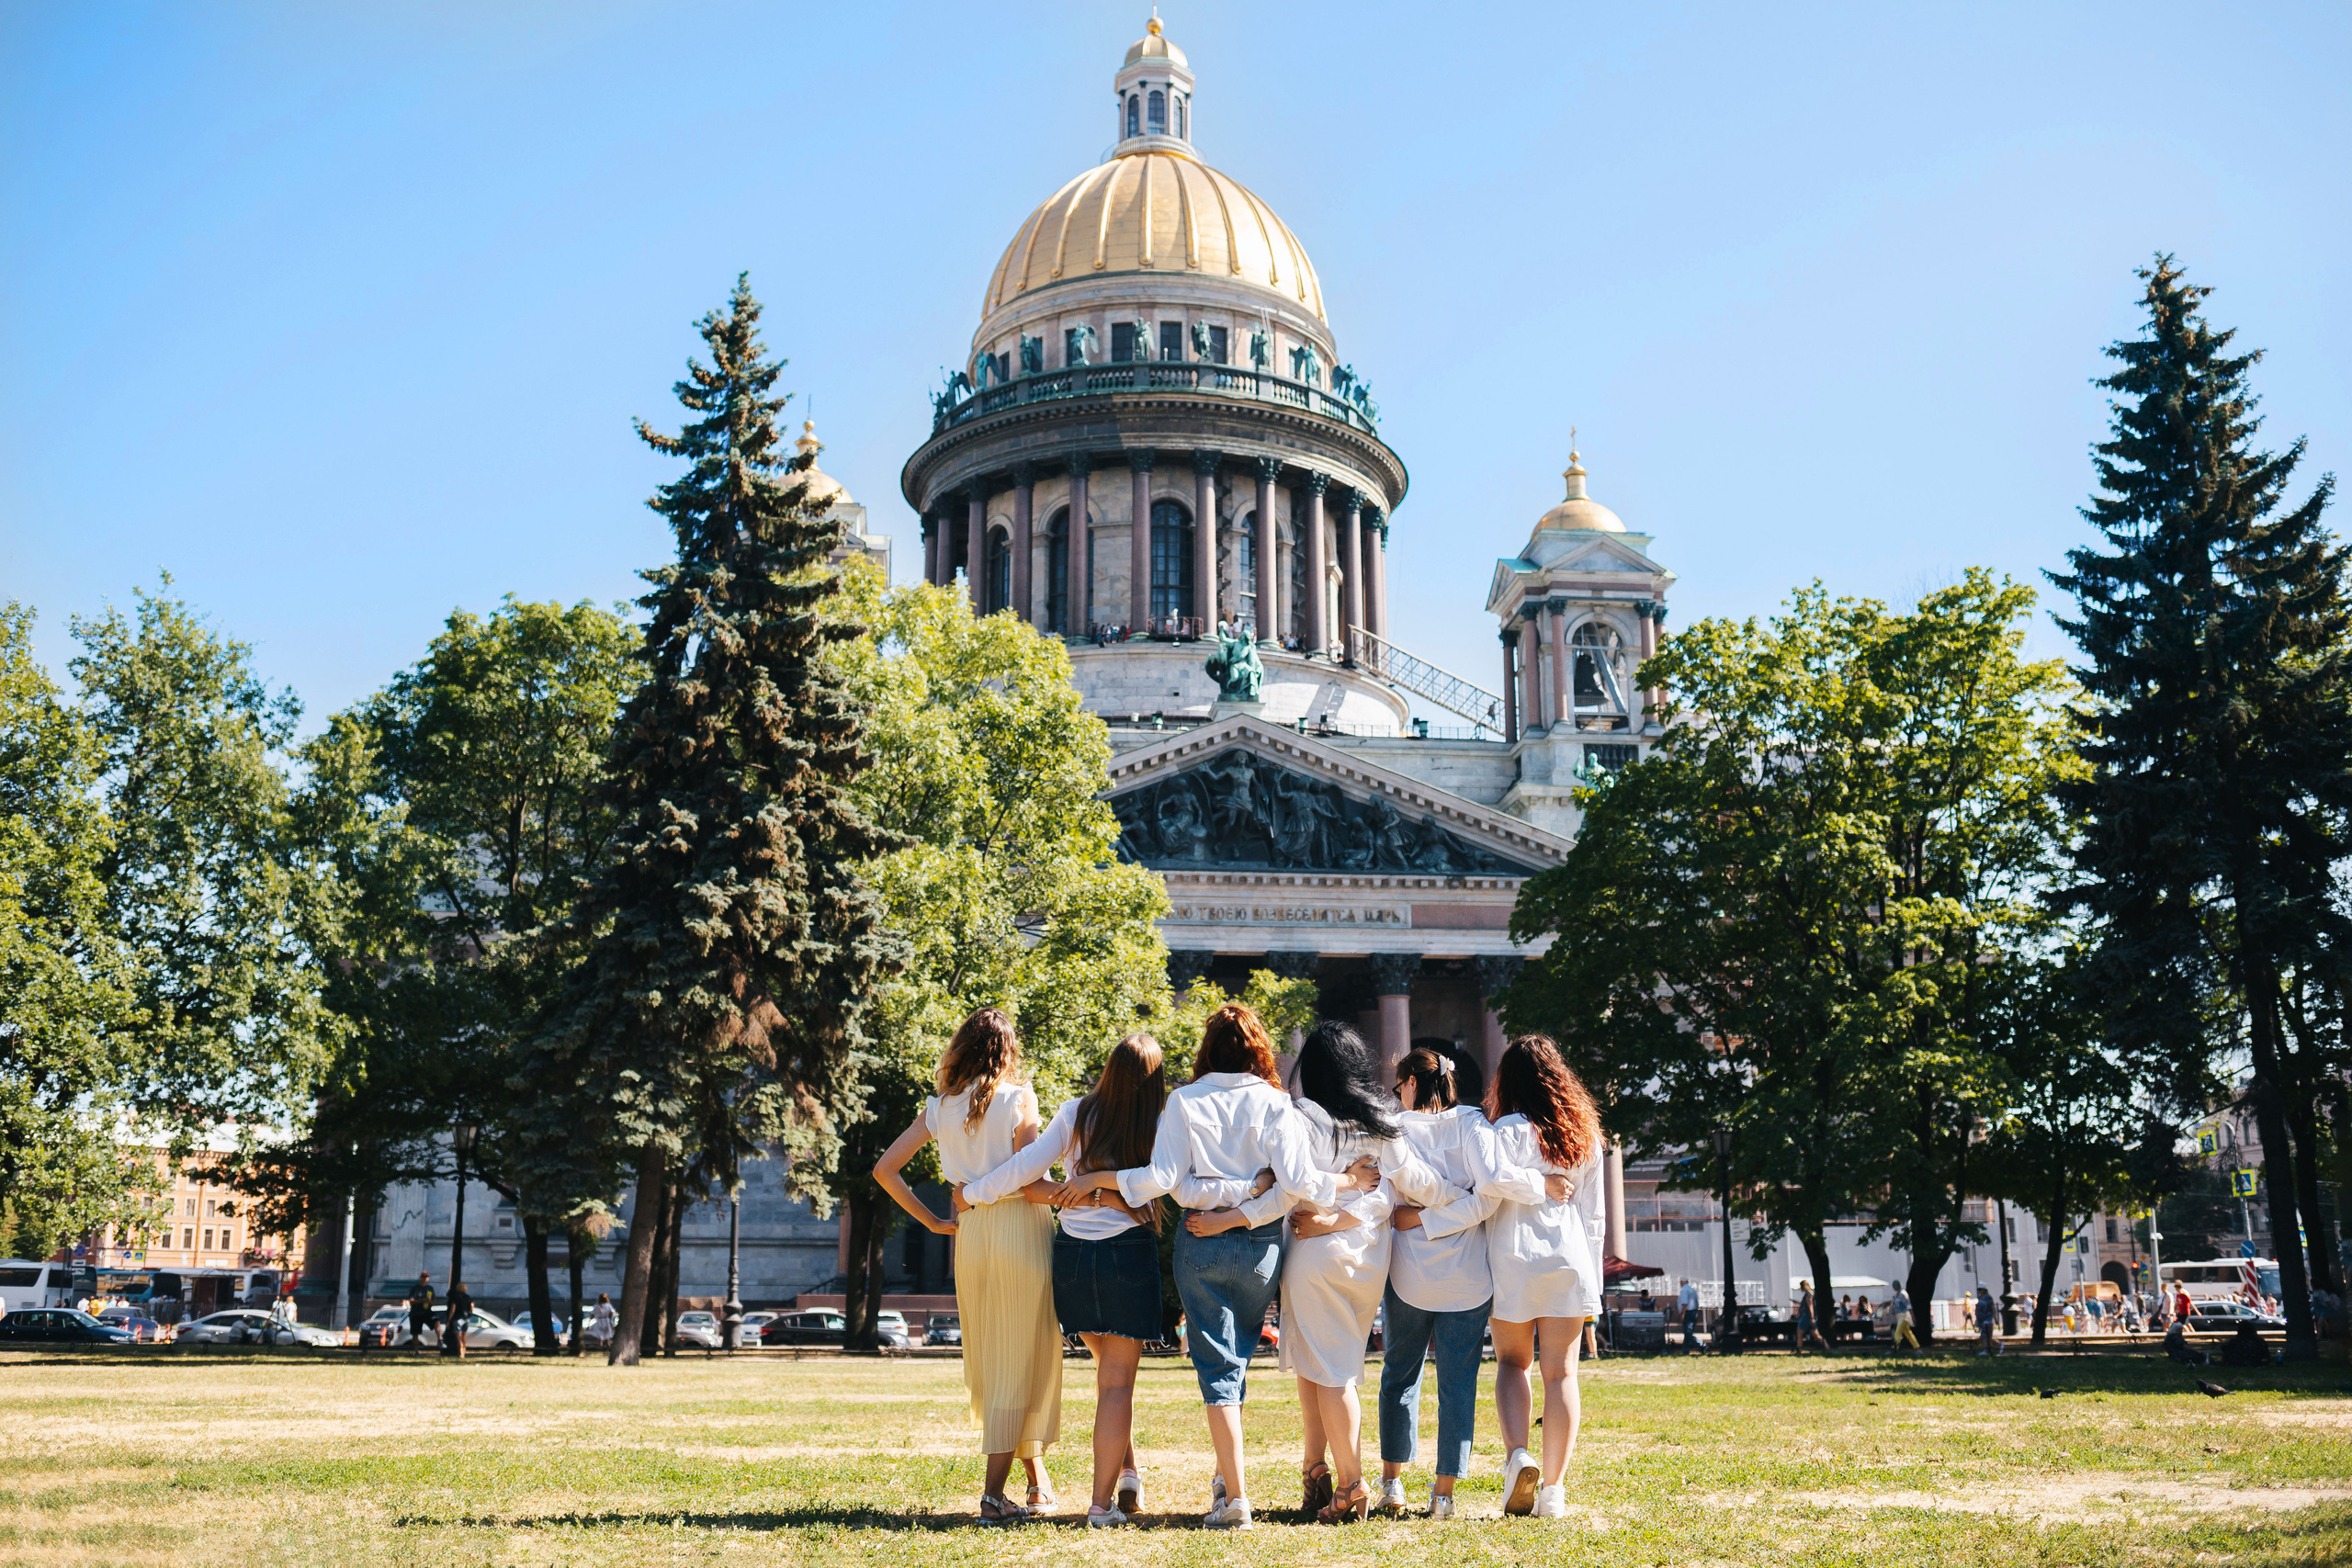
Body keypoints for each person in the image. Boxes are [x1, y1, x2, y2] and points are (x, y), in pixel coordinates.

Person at [1057, 1000, 1378, 1530]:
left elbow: (1165, 1181)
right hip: (1260, 1249)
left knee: (1219, 1373)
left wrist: (1099, 1180)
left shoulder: (1184, 1101)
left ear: (1208, 1049)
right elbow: (1293, 1184)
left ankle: (1235, 1498)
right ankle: (1225, 1484)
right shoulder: (1277, 1102)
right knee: (1236, 1367)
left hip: (1201, 1241)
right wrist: (1264, 1198)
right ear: (1257, 1049)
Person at [1191, 1021, 1400, 1523]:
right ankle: (1315, 1471)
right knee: (1321, 1360)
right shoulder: (1381, 1118)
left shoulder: (1299, 1115)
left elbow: (1287, 1182)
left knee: (1331, 1373)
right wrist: (1349, 1214)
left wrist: (1319, 1215)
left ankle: (1350, 1484)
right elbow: (1391, 1192)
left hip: (1312, 1249)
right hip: (1368, 1253)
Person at [961, 1032, 1168, 1528]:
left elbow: (1025, 1169)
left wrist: (974, 1192)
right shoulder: (1160, 1122)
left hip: (1073, 1260)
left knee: (1107, 1377)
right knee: (1116, 1385)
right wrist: (1111, 1198)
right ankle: (1100, 1507)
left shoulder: (1077, 1112)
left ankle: (1130, 1474)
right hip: (1126, 1257)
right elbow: (1164, 1188)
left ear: (1109, 1069)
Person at [876, 1007, 1060, 1526]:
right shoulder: (1019, 1097)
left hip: (972, 1235)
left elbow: (885, 1169)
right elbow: (1030, 1176)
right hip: (1022, 1229)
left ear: (961, 1049)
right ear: (1007, 1052)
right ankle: (992, 1494)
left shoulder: (939, 1108)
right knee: (1020, 1357)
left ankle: (1034, 1478)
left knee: (997, 1358)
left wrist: (934, 1221)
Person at [1436, 1034, 1597, 1520]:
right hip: (1569, 1260)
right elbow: (1594, 1217)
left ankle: (1516, 1457)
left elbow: (1487, 1187)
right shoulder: (1583, 1136)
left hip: (1511, 1258)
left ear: (1509, 1081)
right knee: (1562, 1373)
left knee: (1512, 1363)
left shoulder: (1500, 1131)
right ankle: (1554, 1489)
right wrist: (1595, 1282)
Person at [1368, 1047, 1497, 1519]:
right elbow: (1486, 1201)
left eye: (1398, 1086)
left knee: (1399, 1376)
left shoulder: (1393, 1130)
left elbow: (1386, 1203)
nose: (1396, 1094)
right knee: (1458, 1383)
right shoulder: (1475, 1125)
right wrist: (1446, 1216)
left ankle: (1391, 1483)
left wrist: (1420, 1220)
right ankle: (1443, 1495)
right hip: (1468, 1277)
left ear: (1412, 1084)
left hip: (1408, 1274)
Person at [445, 1278, 472, 1359]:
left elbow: (452, 1310)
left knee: (459, 1338)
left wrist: (449, 1320)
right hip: (466, 1319)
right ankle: (464, 1352)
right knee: (464, 1338)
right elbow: (471, 1308)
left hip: (457, 1318)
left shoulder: (456, 1297)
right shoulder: (468, 1297)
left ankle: (461, 1354)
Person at [407, 1272, 435, 1354]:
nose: (425, 1278)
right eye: (423, 1276)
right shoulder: (415, 1288)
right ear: (420, 1277)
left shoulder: (430, 1288)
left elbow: (433, 1301)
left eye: (426, 1276)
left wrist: (429, 1302)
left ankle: (440, 1339)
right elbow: (411, 1301)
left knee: (437, 1322)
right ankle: (416, 1352)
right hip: (416, 1313)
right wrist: (422, 1300)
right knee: (415, 1333)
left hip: (427, 1312)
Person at [1678, 1277, 1702, 1351]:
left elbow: (1684, 1304)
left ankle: (1701, 1344)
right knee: (1687, 1333)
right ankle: (1685, 1350)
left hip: (1688, 1312)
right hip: (1694, 1312)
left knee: (1688, 1333)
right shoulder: (1692, 1290)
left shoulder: (1684, 1290)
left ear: (1682, 1282)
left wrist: (1682, 1314)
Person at [1974, 1285, 1998, 1355]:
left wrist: (1995, 1318)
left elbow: (1993, 1308)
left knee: (1985, 1335)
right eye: (1978, 1290)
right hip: (1981, 1319)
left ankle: (1986, 1350)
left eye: (1980, 1289)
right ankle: (1994, 1347)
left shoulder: (1988, 1298)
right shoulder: (1979, 1298)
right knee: (1986, 1336)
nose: (1979, 1291)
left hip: (1988, 1319)